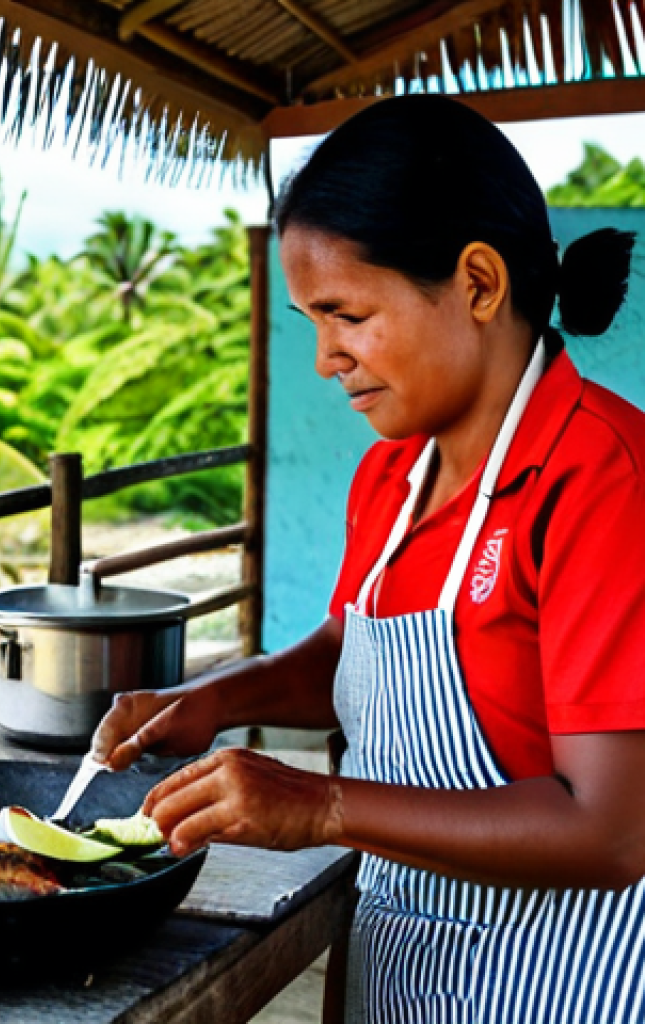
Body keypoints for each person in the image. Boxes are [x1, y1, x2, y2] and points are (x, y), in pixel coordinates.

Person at [90, 94, 645, 1023]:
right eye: (311, 320)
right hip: (403, 950)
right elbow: (355, 655)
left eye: (344, 314)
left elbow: (610, 831)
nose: (323, 358)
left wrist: (321, 806)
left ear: (476, 283)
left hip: (566, 981)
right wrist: (219, 700)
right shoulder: (392, 473)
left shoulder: (601, 478)